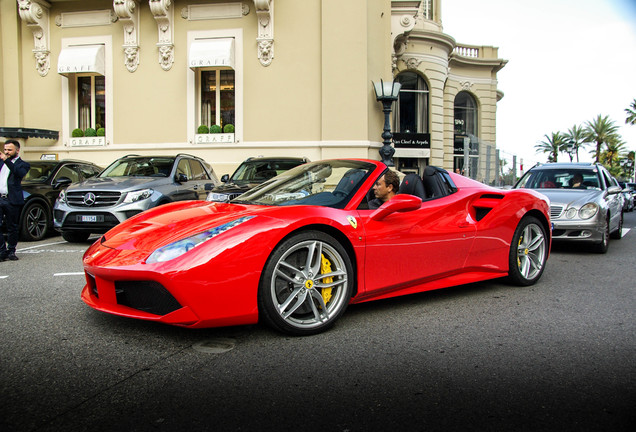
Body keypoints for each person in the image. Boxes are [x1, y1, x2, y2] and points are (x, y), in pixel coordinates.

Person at [0, 140, 30, 261]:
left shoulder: (22, 164)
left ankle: (11, 250)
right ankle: (2, 251)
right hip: (0, 198)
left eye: (9, 150)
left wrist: (6, 160)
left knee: (12, 227)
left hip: (12, 200)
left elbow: (18, 173)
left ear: (17, 150)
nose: (6, 152)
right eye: (5, 149)